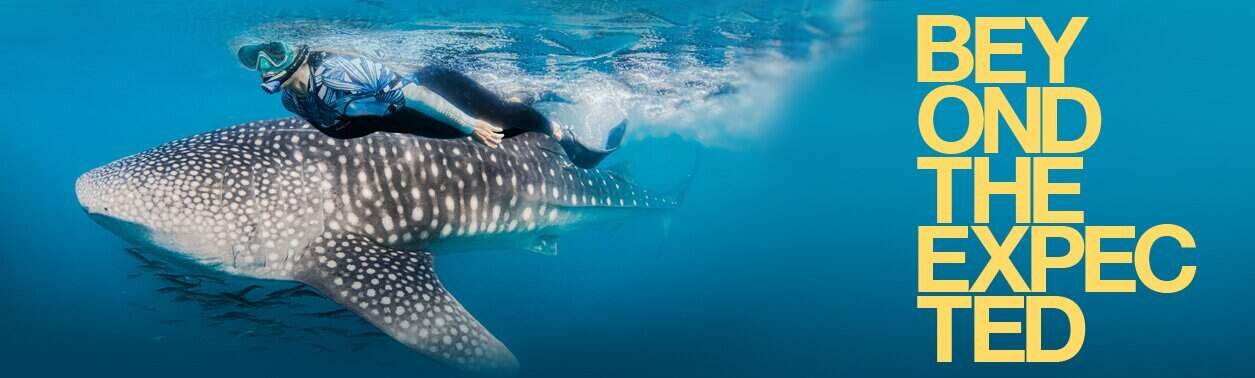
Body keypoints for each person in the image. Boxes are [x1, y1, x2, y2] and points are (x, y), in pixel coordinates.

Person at [236, 41, 622, 168]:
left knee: (499, 126)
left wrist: (469, 125)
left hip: (431, 87)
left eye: (276, 53)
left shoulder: (341, 74)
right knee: (490, 118)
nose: (268, 66)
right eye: (257, 60)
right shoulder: (292, 100)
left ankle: (558, 130)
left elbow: (417, 96)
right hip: (405, 114)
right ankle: (527, 94)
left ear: (297, 51)